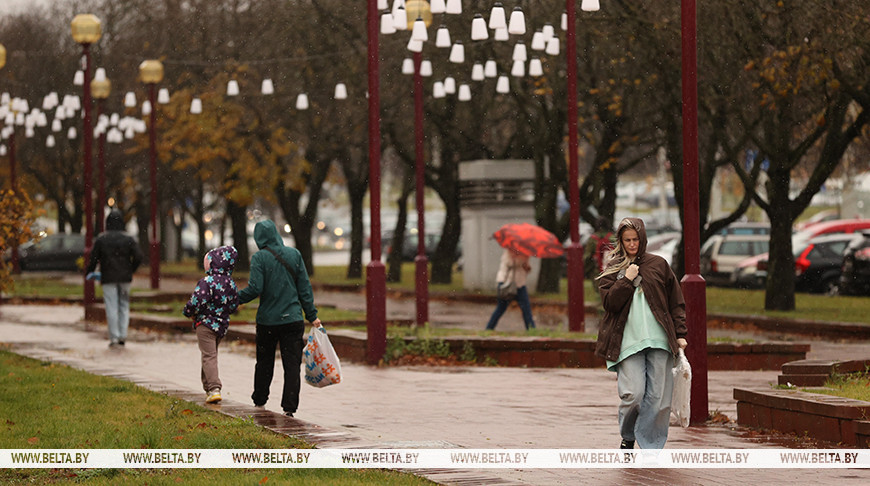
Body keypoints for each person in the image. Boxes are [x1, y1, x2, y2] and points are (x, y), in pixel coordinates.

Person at [594, 217, 688, 450]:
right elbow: (610, 304)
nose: (632, 244)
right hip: (627, 341)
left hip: (660, 340)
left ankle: (651, 446)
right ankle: (628, 435)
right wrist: (626, 279)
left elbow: (676, 301)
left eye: (636, 239)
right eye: (627, 240)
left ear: (642, 238)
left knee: (658, 399)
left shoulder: (658, 264)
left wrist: (680, 333)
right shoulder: (614, 267)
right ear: (621, 241)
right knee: (633, 395)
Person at [239, 220, 321, 417]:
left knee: (264, 362)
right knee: (292, 365)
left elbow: (255, 288)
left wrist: (234, 298)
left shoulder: (259, 258)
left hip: (268, 321)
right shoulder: (294, 255)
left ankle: (260, 400)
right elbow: (304, 288)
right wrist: (312, 315)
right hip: (292, 320)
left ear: (259, 238)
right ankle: (289, 408)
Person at [182, 245, 240, 404]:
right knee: (210, 355)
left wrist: (188, 311)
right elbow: (234, 304)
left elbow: (197, 301)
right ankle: (208, 388)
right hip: (221, 326)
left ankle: (214, 388)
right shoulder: (231, 283)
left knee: (208, 356)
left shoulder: (206, 282)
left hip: (205, 324)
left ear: (215, 263)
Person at [85, 209, 143, 348]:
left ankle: (114, 337)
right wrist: (131, 270)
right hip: (125, 277)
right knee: (124, 305)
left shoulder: (101, 239)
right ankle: (123, 335)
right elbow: (139, 256)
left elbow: (93, 259)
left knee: (111, 306)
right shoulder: (128, 239)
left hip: (108, 277)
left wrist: (90, 271)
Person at [485, 248, 535, 330]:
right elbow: (509, 263)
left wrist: (527, 265)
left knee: (526, 308)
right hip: (507, 282)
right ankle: (489, 328)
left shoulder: (525, 252)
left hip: (520, 283)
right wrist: (520, 257)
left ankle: (531, 329)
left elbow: (526, 267)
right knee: (501, 307)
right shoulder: (509, 250)